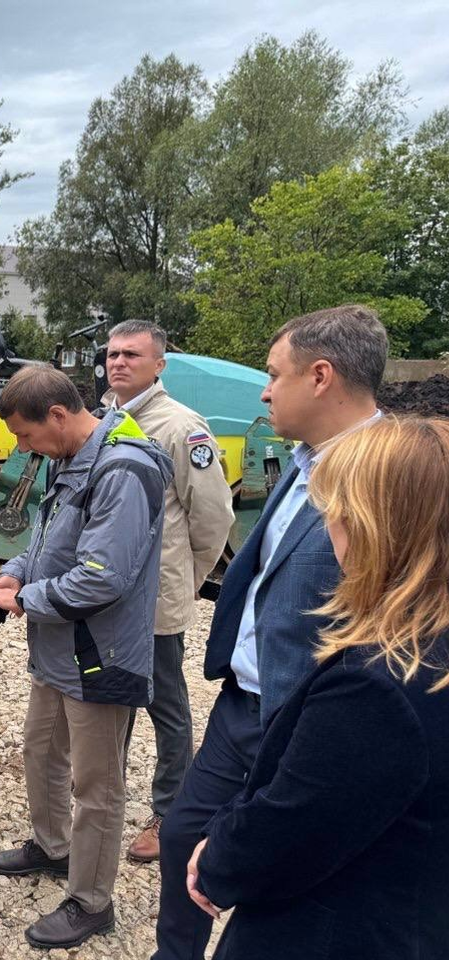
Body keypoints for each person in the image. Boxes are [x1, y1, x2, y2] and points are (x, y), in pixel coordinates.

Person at [152, 304, 388, 960]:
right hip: (242, 705)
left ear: (320, 377)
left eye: (273, 374)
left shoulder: (390, 477)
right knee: (183, 835)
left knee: (282, 869)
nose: (263, 391)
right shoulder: (304, 460)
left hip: (311, 718)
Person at [188, 416, 449, 959]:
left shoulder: (378, 685)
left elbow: (290, 826)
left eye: (336, 511)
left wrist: (217, 861)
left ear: (373, 525)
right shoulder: (431, 647)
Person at [0, 364, 172, 950]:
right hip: (59, 649)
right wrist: (14, 572)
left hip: (100, 657)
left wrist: (23, 601)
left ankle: (91, 901)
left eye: (25, 434)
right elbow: (45, 539)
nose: (22, 447)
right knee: (41, 752)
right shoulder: (68, 457)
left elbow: (101, 578)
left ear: (58, 416)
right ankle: (52, 846)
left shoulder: (123, 468)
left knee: (97, 786)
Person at [99, 320, 234, 862]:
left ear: (159, 365)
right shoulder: (107, 419)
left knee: (165, 704)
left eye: (132, 355)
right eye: (112, 353)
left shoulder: (181, 427)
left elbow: (213, 516)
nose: (118, 362)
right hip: (109, 595)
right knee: (111, 698)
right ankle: (104, 798)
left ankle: (170, 811)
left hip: (155, 599)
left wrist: (187, 579)